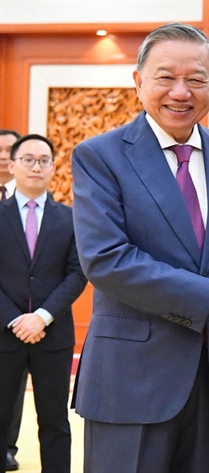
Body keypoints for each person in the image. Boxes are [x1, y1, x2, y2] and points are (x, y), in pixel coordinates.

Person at [70, 23, 209, 472]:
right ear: (139, 80)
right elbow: (106, 260)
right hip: (129, 378)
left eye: (196, 79)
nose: (180, 92)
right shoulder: (100, 156)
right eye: (165, 77)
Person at [0, 134, 87, 473]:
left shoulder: (70, 218)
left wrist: (43, 316)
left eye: (43, 160)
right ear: (12, 165)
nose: (36, 166)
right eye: (28, 159)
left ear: (53, 168)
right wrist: (16, 320)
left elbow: (78, 273)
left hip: (53, 336)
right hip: (4, 335)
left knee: (54, 422)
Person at [0, 130, 28, 472]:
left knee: (11, 385)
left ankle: (7, 446)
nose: (4, 156)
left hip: (15, 312)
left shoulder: (36, 204)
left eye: (10, 150)